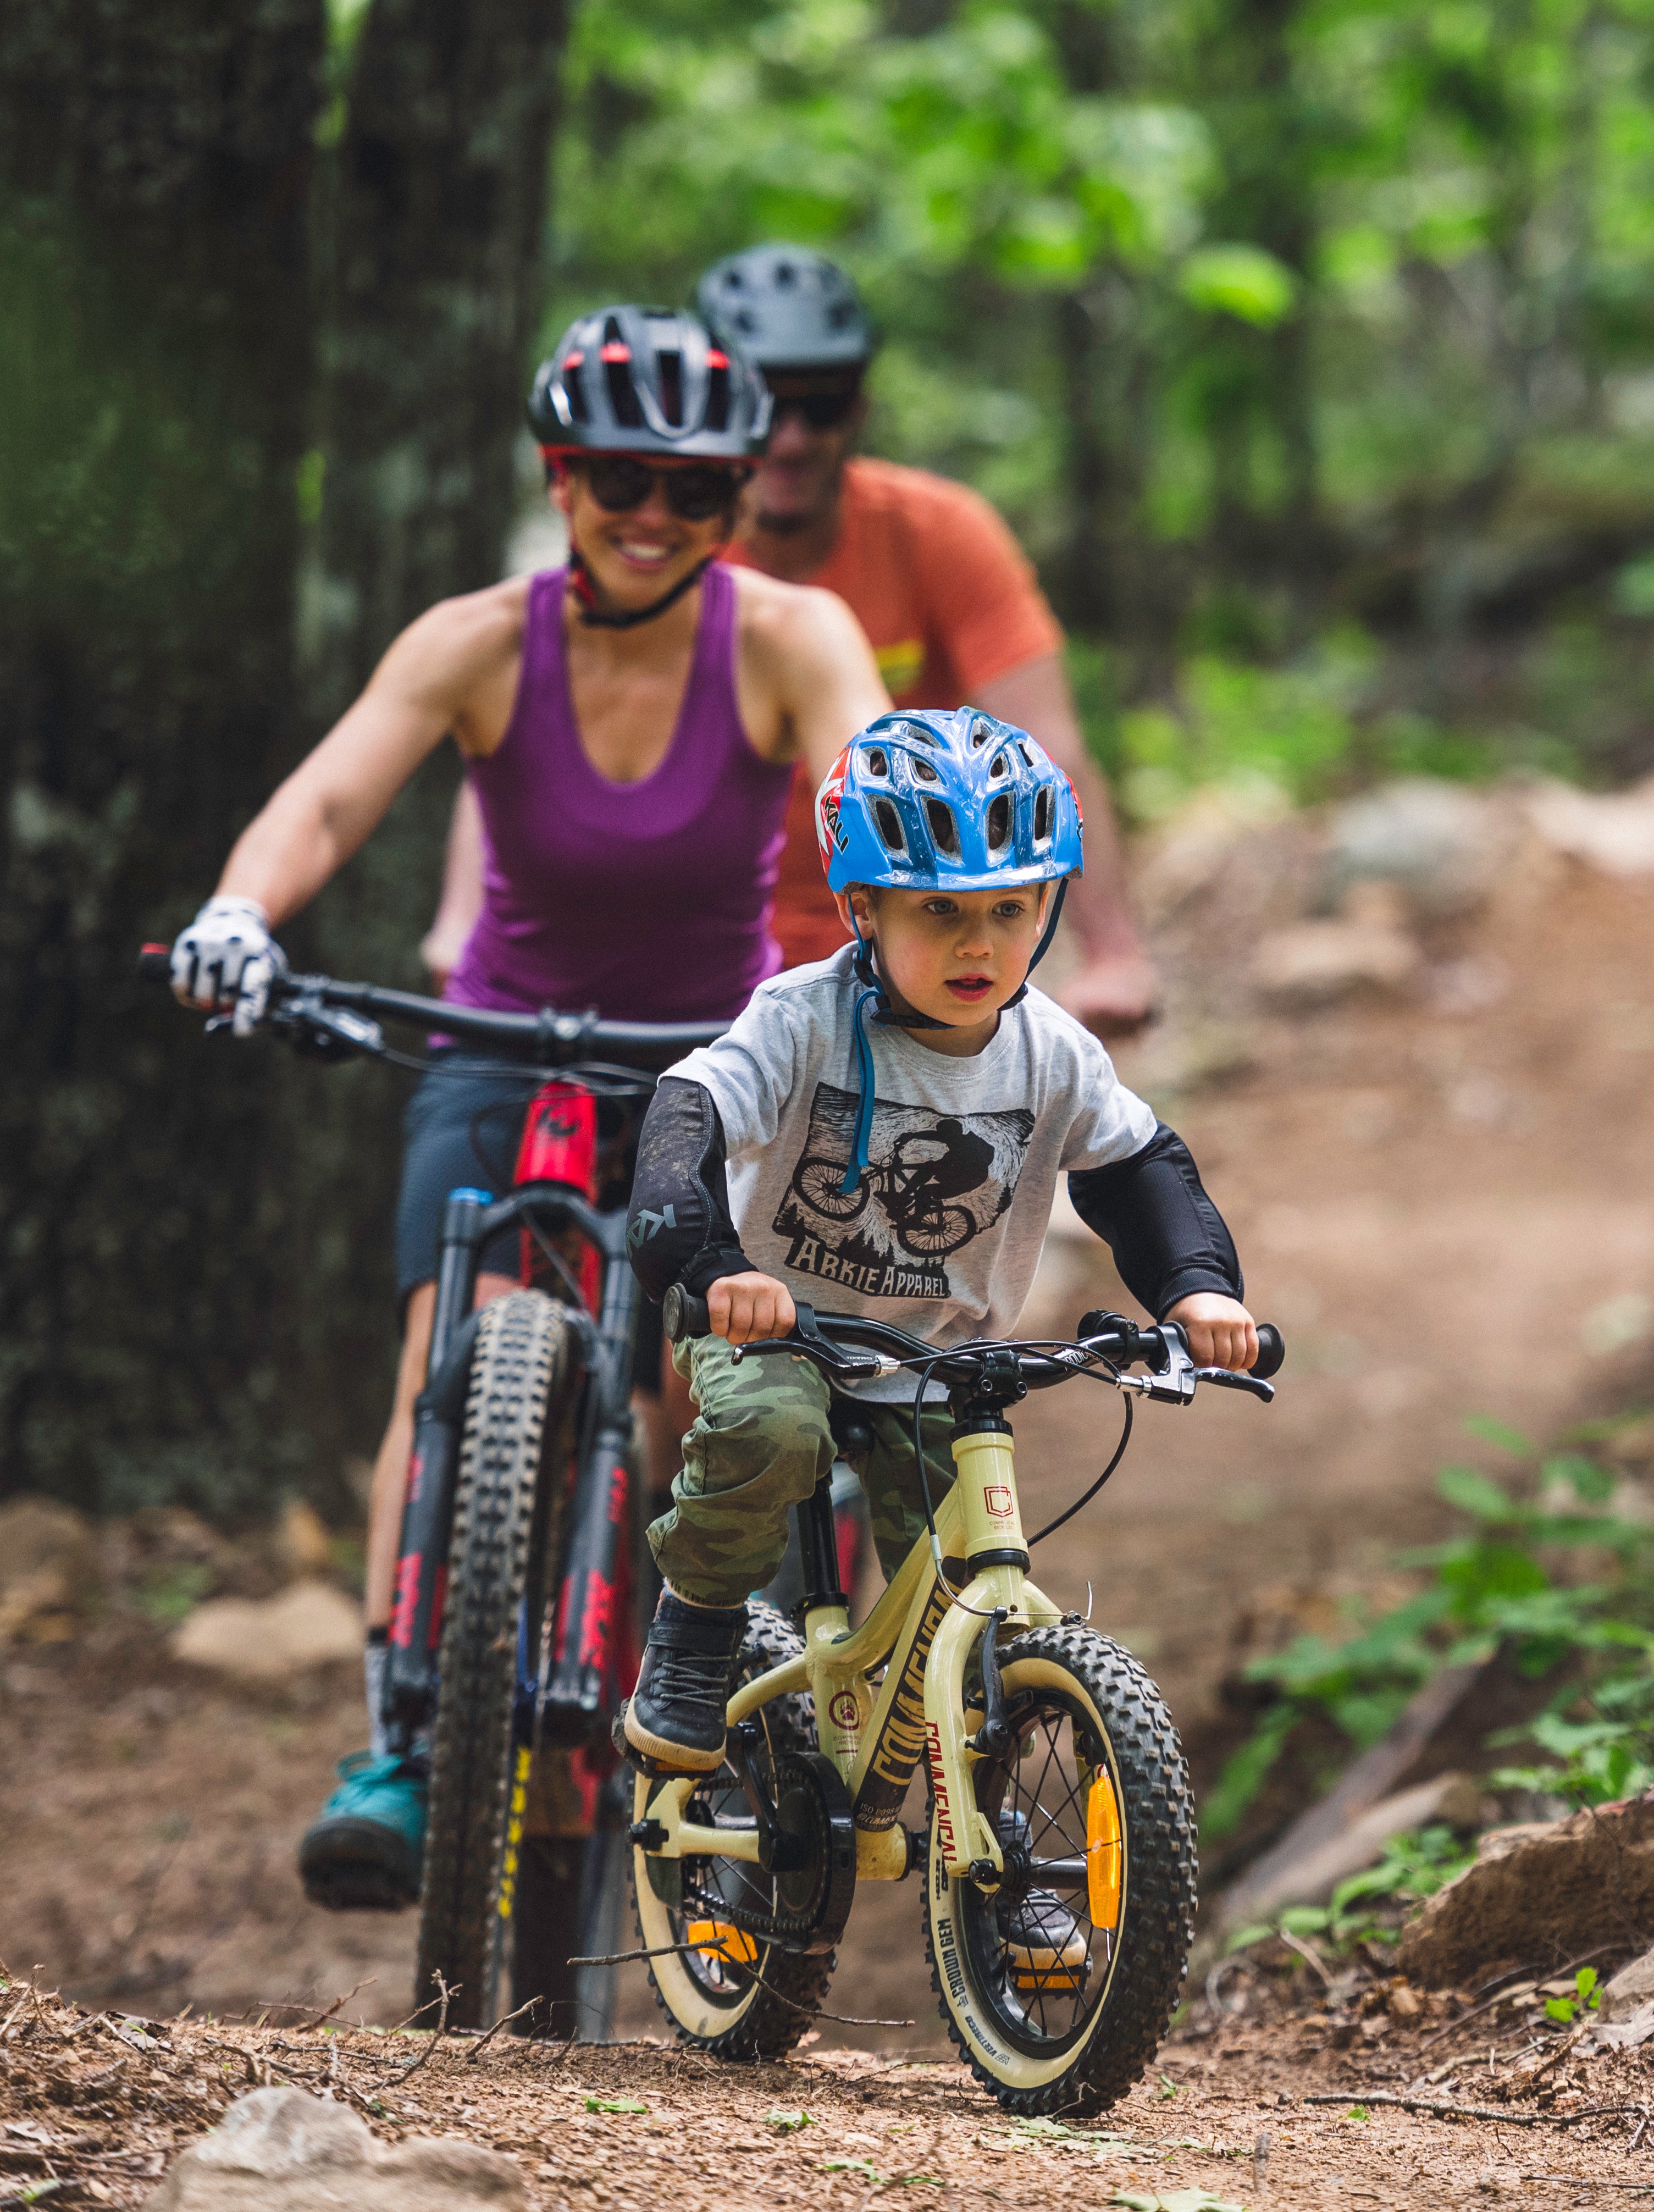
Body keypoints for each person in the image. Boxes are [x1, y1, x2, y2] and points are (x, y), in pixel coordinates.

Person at [163, 304, 895, 1912]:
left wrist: (897, 940)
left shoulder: (786, 637)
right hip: (499, 1043)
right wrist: (242, 914)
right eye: (619, 478)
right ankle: (401, 1740)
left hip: (705, 1058)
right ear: (561, 477)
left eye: (695, 492)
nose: (653, 515)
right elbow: (338, 789)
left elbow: (867, 781)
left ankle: (675, 1710)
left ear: (733, 504)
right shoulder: (477, 639)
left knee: (685, 1399)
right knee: (443, 1357)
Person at [620, 709, 1255, 1960]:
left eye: (1012, 910)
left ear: (1052, 907)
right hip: (782, 1330)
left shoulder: (1051, 1051)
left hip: (940, 1364)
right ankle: (696, 1627)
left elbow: (1142, 1173)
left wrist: (1198, 1293)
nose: (981, 942)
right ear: (862, 906)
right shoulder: (801, 1018)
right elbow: (688, 1111)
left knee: (978, 1585)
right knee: (765, 1425)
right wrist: (710, 1262)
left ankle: (1007, 1851)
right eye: (938, 913)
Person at [424, 244, 1163, 1034]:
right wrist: (463, 919)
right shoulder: (662, 555)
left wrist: (1112, 950)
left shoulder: (940, 535)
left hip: (884, 955)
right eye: (766, 402)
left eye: (824, 403)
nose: (792, 436)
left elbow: (1047, 748)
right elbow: (527, 732)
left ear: (861, 408)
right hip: (682, 967)